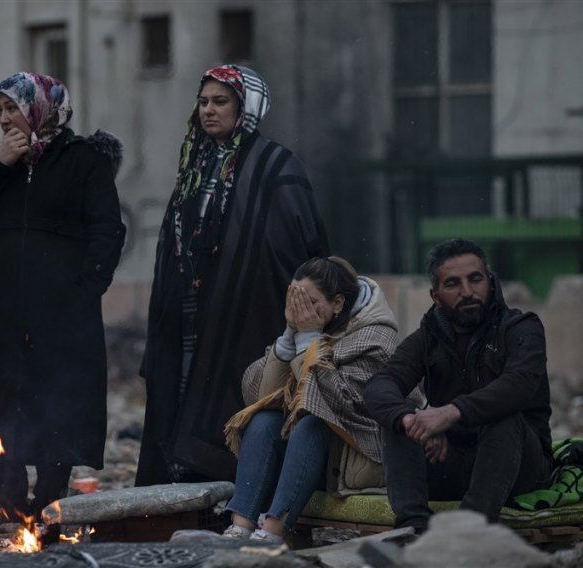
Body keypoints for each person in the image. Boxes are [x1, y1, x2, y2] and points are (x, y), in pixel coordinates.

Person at [137, 64, 330, 486]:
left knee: (234, 392)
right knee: (181, 387)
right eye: (203, 102)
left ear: (247, 107)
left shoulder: (276, 165)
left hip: (245, 307)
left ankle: (233, 488)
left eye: (221, 102)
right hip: (187, 308)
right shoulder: (192, 164)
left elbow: (303, 245)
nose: (209, 110)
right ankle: (178, 483)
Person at [0, 72, 125, 519]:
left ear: (41, 107)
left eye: (12, 107)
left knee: (59, 401)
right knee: (0, 399)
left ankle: (50, 496)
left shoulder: (83, 160)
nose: (4, 117)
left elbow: (107, 229)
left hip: (62, 314)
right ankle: (9, 491)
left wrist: (85, 289)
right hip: (0, 312)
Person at [364, 238, 553, 534]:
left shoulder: (521, 327)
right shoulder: (428, 337)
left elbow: (519, 385)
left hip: (518, 466)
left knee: (504, 415)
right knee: (395, 420)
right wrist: (414, 421)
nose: (467, 292)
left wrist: (449, 414)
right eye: (453, 284)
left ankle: (468, 532)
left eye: (475, 279)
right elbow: (380, 384)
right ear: (435, 295)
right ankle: (413, 530)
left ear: (489, 281)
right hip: (449, 463)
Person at [220, 257, 399, 544]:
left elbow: (334, 401)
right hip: (314, 458)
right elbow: (261, 395)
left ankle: (273, 532)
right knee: (264, 419)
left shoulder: (376, 336)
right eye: (295, 301)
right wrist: (290, 336)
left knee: (312, 423)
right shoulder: (311, 325)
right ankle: (240, 527)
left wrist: (308, 341)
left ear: (338, 303)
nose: (301, 311)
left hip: (363, 456)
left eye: (310, 302)